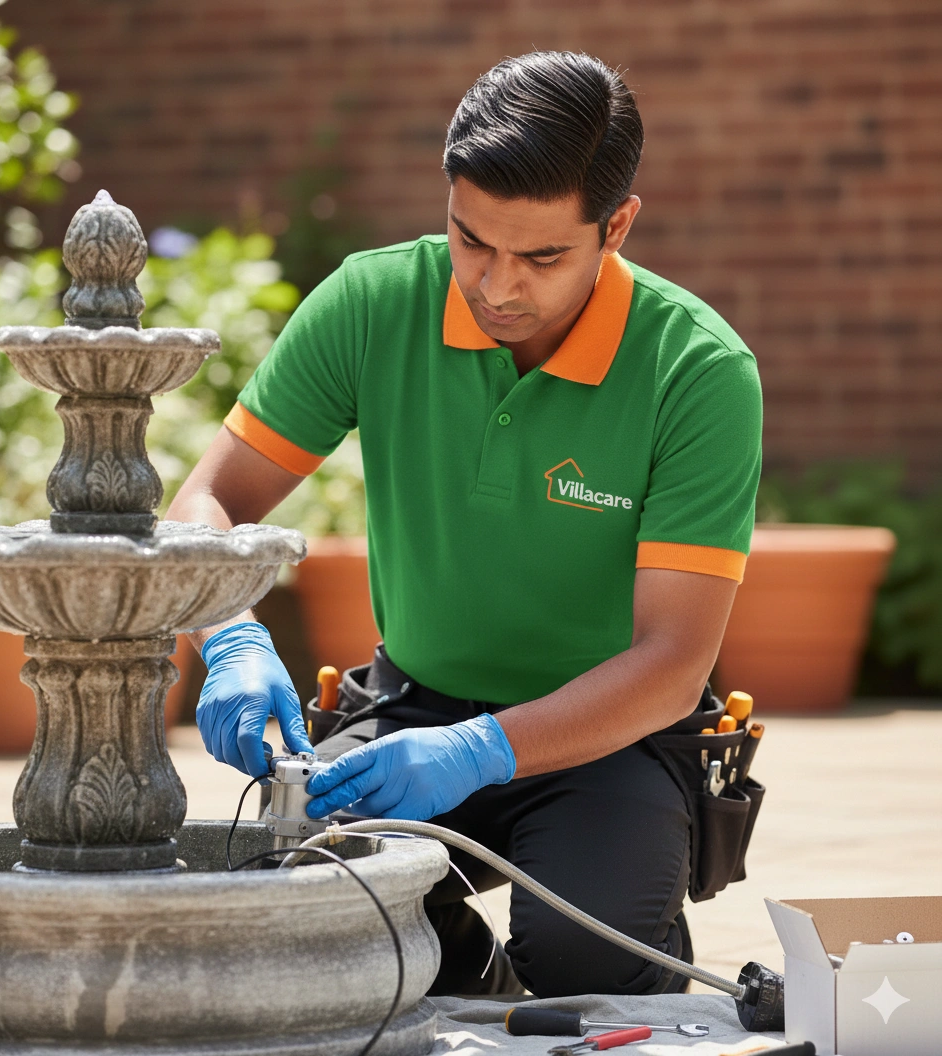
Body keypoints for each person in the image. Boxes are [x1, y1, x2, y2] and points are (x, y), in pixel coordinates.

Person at [168, 50, 762, 997]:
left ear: (618, 226)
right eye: (471, 239)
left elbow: (672, 663)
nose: (496, 286)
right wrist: (231, 635)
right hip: (409, 711)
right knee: (297, 915)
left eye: (542, 256)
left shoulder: (697, 371)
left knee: (590, 966)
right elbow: (208, 502)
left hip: (607, 739)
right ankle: (460, 970)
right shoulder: (372, 303)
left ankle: (607, 933)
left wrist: (482, 749)